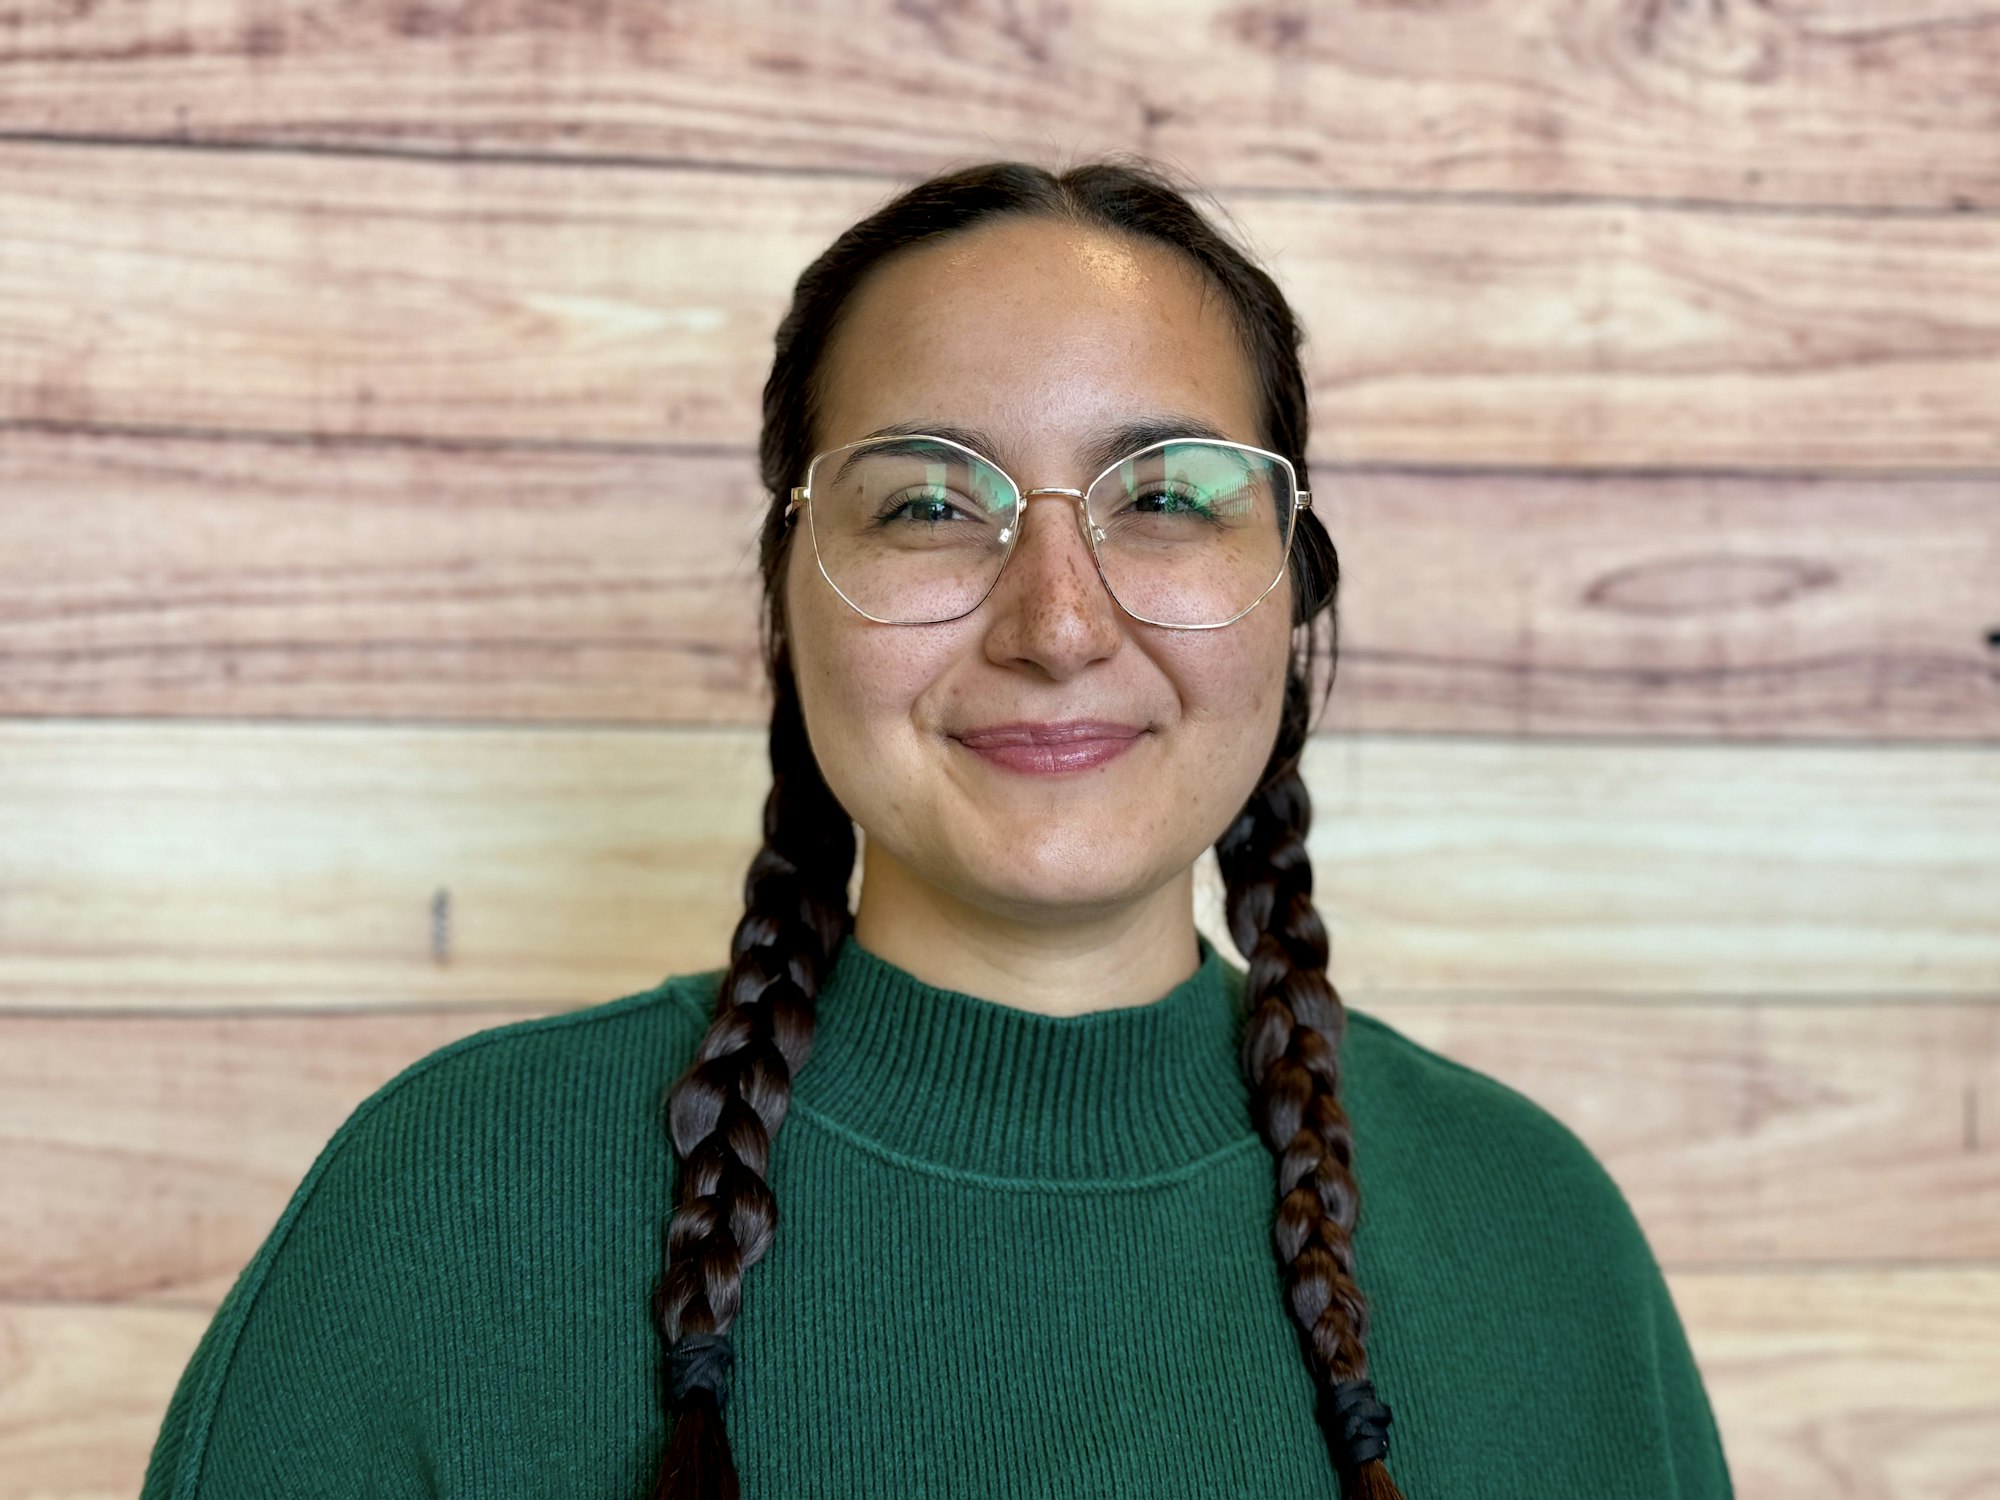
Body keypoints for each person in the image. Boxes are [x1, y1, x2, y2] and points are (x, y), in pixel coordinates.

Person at [139, 158, 1735, 1499]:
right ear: (786, 599)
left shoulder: (1540, 1245)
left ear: (1291, 584)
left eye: (1165, 496)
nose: (1057, 624)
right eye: (927, 504)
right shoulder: (444, 1211)